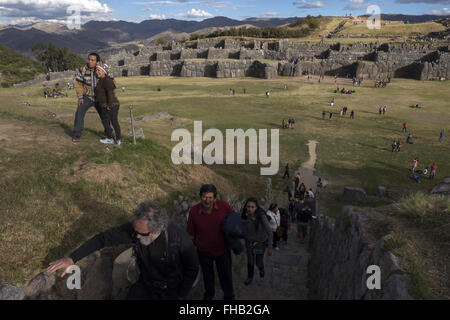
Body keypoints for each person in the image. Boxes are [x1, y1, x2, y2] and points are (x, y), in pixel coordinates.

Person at [47, 201, 199, 300]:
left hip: (171, 288)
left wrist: (181, 295)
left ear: (156, 230)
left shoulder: (180, 239)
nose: (136, 236)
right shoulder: (136, 230)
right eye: (135, 230)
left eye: (142, 234)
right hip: (146, 283)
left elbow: (192, 268)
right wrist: (72, 258)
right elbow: (102, 239)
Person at [187, 184, 235, 300]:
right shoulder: (194, 212)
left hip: (222, 251)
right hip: (203, 253)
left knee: (226, 277)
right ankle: (209, 296)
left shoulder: (224, 206)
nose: (207, 200)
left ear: (215, 198)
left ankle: (229, 297)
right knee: (208, 278)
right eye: (204, 197)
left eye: (210, 197)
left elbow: (234, 220)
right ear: (200, 197)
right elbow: (190, 233)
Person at [72, 52, 104, 143]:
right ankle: (77, 135)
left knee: (105, 116)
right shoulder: (82, 70)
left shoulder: (102, 69)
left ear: (97, 62)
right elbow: (78, 84)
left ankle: (109, 135)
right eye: (89, 59)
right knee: (79, 113)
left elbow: (109, 82)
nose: (90, 61)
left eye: (92, 60)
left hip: (99, 98)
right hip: (87, 97)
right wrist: (80, 97)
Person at [241, 198, 273, 286]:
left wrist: (270, 247)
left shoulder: (261, 216)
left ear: (256, 208)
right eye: (248, 207)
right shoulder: (244, 215)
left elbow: (269, 232)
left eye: (252, 207)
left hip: (260, 242)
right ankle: (250, 277)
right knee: (250, 261)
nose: (250, 209)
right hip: (249, 242)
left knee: (258, 262)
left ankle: (261, 268)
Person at [95, 63, 122, 145]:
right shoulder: (102, 80)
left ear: (104, 72)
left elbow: (110, 92)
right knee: (112, 122)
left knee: (107, 121)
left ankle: (111, 138)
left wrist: (109, 104)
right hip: (108, 104)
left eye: (98, 70)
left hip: (109, 105)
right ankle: (118, 140)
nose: (97, 72)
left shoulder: (106, 80)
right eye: (96, 70)